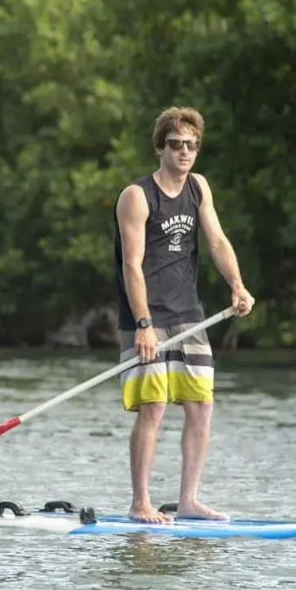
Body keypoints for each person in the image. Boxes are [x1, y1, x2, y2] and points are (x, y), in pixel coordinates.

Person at [113, 107, 254, 523]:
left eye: (192, 145)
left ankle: (189, 500)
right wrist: (142, 324)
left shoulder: (199, 187)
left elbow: (217, 240)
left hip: (189, 314)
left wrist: (237, 284)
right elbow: (131, 265)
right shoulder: (137, 196)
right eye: (176, 144)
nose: (185, 152)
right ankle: (141, 503)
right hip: (147, 317)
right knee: (153, 408)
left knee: (201, 406)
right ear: (160, 148)